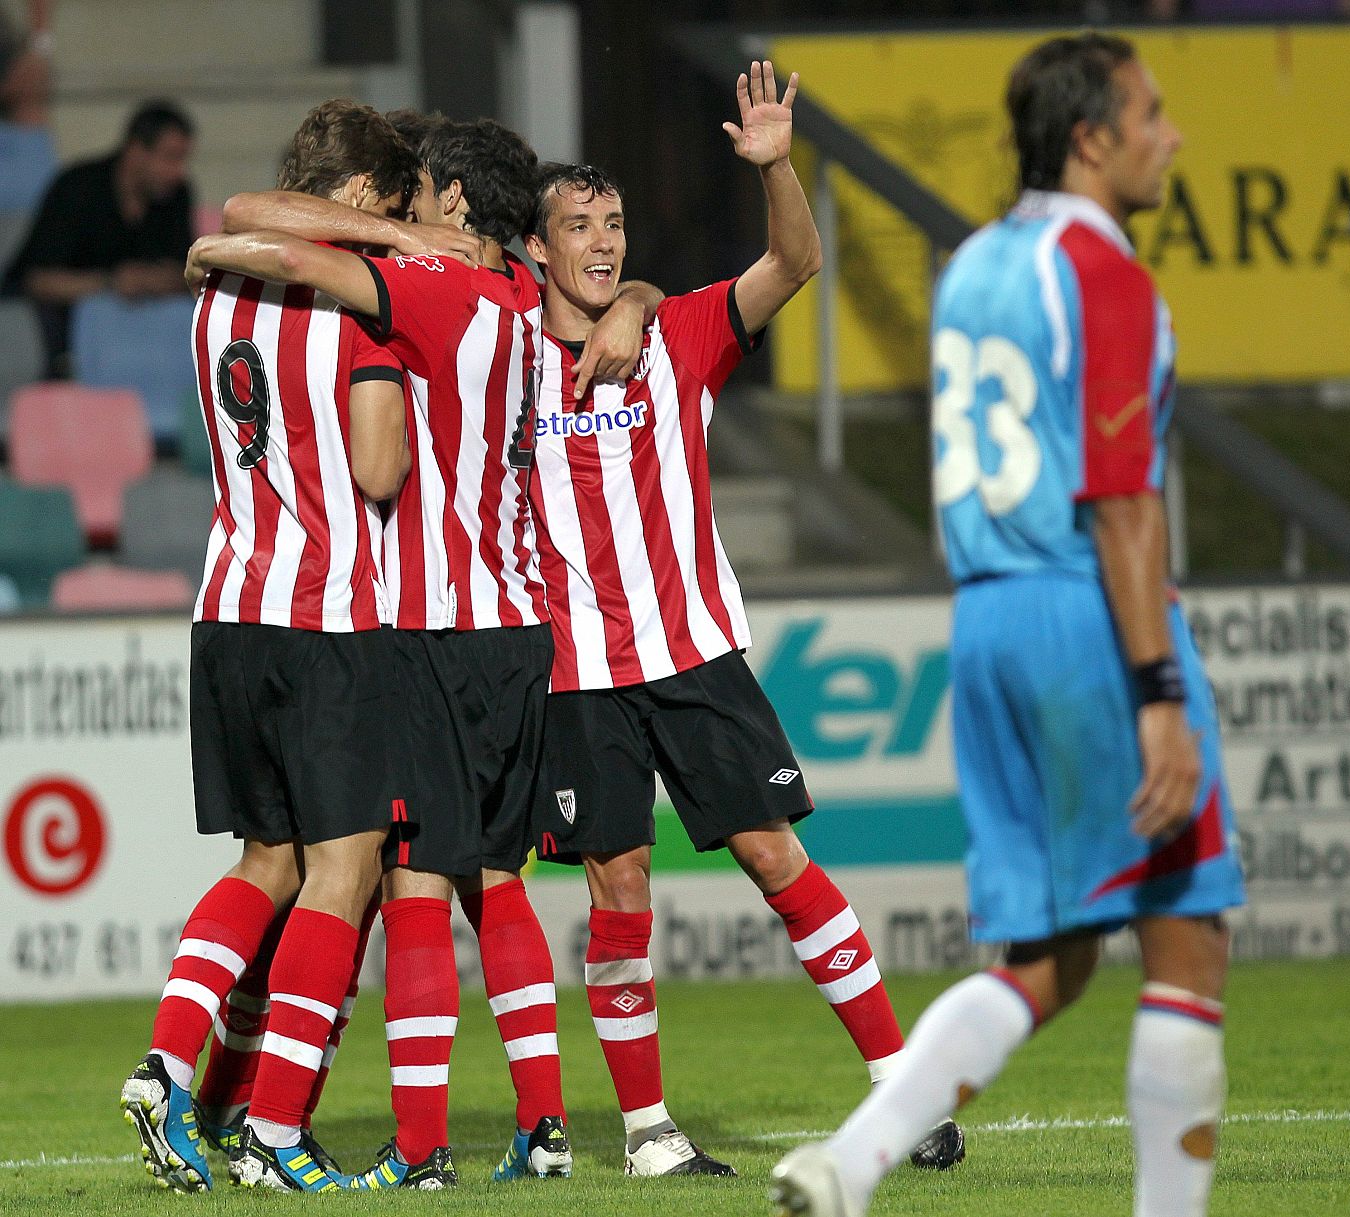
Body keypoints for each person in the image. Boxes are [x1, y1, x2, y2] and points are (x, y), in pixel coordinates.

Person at [770, 34, 1247, 1217]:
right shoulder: (1106, 272)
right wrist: (1158, 696)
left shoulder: (975, 261)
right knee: (1187, 935)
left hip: (982, 618)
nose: (1170, 134)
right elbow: (1123, 498)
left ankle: (856, 1154)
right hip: (1085, 612)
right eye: (1151, 113)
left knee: (1048, 957)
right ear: (1092, 137)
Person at [187, 115, 662, 1191]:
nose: (408, 217)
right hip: (514, 620)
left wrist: (221, 249)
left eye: (423, 201)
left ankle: (414, 1147)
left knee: (405, 884)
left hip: (433, 625)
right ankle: (541, 1126)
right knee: (496, 879)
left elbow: (282, 240)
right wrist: (630, 295)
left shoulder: (441, 294)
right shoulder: (530, 310)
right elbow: (619, 302)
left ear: (453, 206)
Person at [520, 62, 962, 1178]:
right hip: (574, 669)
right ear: (538, 249)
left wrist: (775, 168)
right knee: (620, 889)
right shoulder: (506, 356)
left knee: (776, 853)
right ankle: (647, 1132)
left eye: (614, 224)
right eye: (579, 227)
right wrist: (625, 303)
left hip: (694, 650)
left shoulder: (682, 333)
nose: (604, 243)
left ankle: (898, 1086)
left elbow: (795, 263)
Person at [119, 99, 434, 1195]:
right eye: (392, 208)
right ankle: (276, 1129)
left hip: (228, 604)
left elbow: (230, 233)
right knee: (345, 869)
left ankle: (168, 1063)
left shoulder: (216, 295)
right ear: (355, 204)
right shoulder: (356, 315)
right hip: (327, 609)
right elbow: (382, 471)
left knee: (267, 862)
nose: (402, 226)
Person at [2, 98, 194, 376]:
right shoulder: (77, 189)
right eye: (170, 158)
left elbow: (188, 274)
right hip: (65, 345)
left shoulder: (176, 195)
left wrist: (150, 281)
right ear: (137, 150)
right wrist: (110, 283)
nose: (177, 171)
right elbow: (35, 280)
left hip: (147, 348)